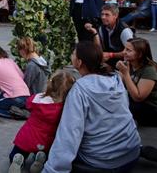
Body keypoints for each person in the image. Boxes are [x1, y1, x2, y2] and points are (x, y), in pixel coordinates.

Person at [42, 41, 141, 173]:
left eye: (73, 53)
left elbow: (69, 135)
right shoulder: (116, 79)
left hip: (103, 163)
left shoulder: (79, 90)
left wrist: (52, 170)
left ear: (79, 62)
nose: (71, 55)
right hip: (132, 154)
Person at [8, 70, 76, 173]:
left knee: (16, 153)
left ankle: (18, 159)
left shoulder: (38, 98)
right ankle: (40, 158)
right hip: (46, 139)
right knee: (45, 152)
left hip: (27, 136)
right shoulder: (64, 108)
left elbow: (28, 103)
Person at [116, 38, 157, 127]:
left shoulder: (150, 69)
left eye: (128, 50)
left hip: (153, 109)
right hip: (138, 103)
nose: (124, 52)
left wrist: (125, 74)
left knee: (121, 107)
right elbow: (120, 85)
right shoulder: (129, 63)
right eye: (125, 49)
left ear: (140, 54)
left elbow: (138, 97)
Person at [0, 44, 30, 118]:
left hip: (13, 97)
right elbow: (22, 76)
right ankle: (20, 109)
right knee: (4, 99)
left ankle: (13, 114)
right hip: (26, 96)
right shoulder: (10, 61)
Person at [85, 3, 134, 70]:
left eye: (107, 15)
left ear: (115, 16)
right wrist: (95, 33)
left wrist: (110, 55)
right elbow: (98, 48)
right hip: (112, 59)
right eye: (102, 14)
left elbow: (131, 52)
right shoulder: (102, 28)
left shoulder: (124, 31)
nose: (103, 17)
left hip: (125, 62)